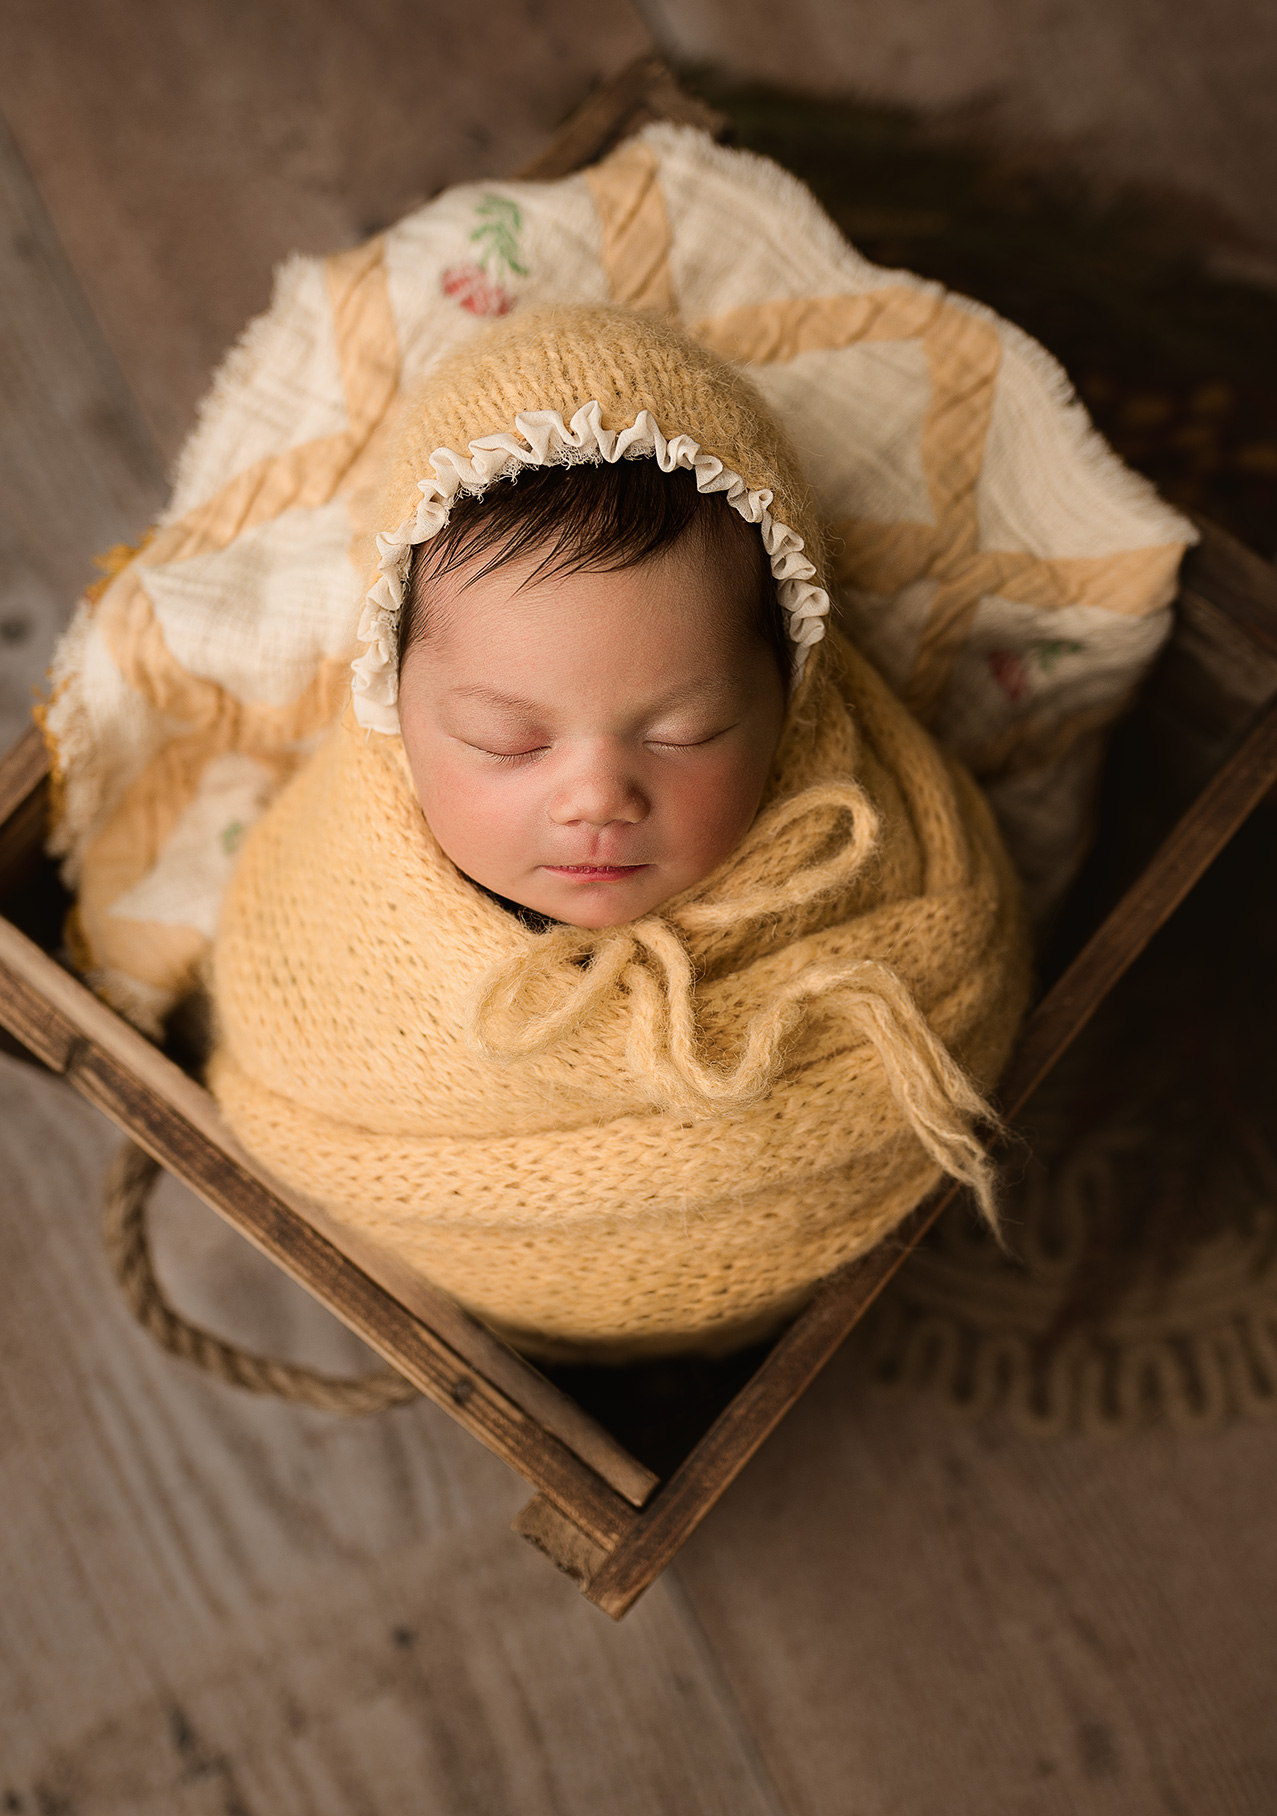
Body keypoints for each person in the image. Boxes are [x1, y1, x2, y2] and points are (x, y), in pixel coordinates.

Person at [209, 303, 1030, 1362]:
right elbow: (290, 1036)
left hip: (784, 1308)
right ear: (392, 705)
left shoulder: (889, 865)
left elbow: (967, 970)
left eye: (686, 731)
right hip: (482, 1308)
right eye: (506, 739)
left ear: (793, 698)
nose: (597, 796)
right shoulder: (335, 912)